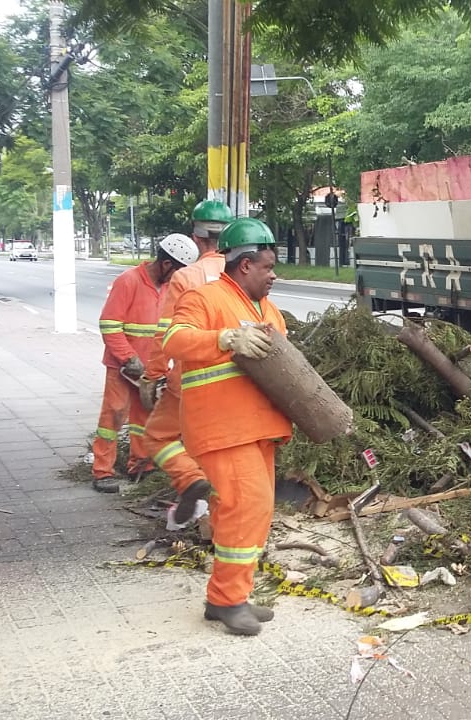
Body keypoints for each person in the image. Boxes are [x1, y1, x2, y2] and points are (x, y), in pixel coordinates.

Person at [162, 217, 290, 636]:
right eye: (268, 267)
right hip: (222, 428)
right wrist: (224, 339)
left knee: (255, 512)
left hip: (258, 428)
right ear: (245, 264)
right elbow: (174, 340)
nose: (274, 275)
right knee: (244, 508)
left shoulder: (268, 310)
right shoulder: (204, 299)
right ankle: (226, 600)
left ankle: (234, 593)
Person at [138, 200, 234, 528]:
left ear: (196, 237)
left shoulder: (186, 277)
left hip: (190, 379)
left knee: (157, 437)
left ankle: (190, 481)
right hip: (235, 381)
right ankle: (221, 513)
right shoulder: (243, 271)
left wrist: (151, 376)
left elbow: (166, 334)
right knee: (219, 447)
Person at [92, 235, 199, 493]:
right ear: (165, 264)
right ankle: (102, 471)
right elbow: (109, 324)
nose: (178, 279)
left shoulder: (167, 289)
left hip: (149, 370)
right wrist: (128, 358)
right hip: (122, 367)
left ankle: (140, 465)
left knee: (144, 418)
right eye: (177, 272)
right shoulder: (128, 281)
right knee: (114, 415)